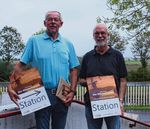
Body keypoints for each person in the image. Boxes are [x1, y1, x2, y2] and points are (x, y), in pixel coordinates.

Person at [7, 11, 80, 129]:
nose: (53, 22)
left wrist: (72, 91)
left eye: (56, 20)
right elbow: (19, 66)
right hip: (41, 93)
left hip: (63, 92)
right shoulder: (34, 41)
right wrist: (10, 86)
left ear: (61, 23)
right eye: (50, 19)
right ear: (45, 23)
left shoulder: (68, 43)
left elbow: (74, 69)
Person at [79, 23, 127, 129]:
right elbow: (81, 80)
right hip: (92, 104)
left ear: (108, 35)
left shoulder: (117, 55)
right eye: (97, 33)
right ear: (93, 36)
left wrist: (120, 101)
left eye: (102, 33)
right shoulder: (87, 57)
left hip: (112, 103)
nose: (100, 35)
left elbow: (123, 80)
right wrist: (95, 83)